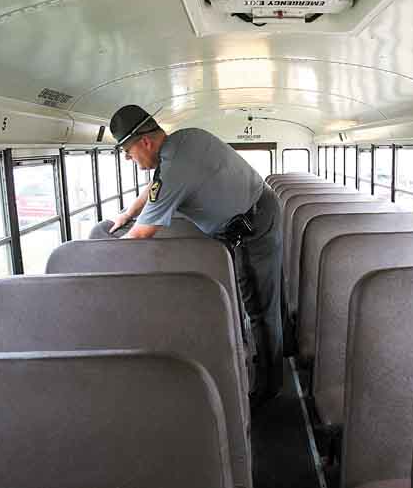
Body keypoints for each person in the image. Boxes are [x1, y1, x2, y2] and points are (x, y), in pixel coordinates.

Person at [103, 104, 283, 403]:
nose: (128, 158)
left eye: (128, 151)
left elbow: (143, 234)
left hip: (253, 223)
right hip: (258, 207)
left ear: (145, 142)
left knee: (259, 307)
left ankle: (268, 387)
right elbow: (156, 186)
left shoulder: (175, 165)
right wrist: (127, 213)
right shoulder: (183, 141)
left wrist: (99, 262)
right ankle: (277, 352)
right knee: (268, 295)